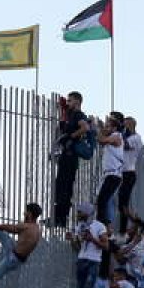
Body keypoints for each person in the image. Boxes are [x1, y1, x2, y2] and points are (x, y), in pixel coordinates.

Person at [68, 202, 108, 288]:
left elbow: (106, 246)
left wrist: (92, 239)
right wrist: (73, 240)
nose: (78, 215)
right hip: (81, 260)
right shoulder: (79, 226)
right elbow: (77, 248)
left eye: (80, 212)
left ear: (87, 213)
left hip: (93, 262)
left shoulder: (99, 226)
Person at [52, 91, 90, 227]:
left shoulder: (78, 114)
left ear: (77, 102)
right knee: (63, 187)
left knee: (63, 187)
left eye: (70, 101)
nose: (67, 103)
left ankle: (60, 218)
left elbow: (85, 127)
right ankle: (60, 218)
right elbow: (63, 129)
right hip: (67, 155)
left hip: (70, 155)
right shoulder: (70, 115)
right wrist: (63, 111)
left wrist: (71, 136)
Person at [95, 112, 124, 224]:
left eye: (108, 126)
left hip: (114, 174)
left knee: (103, 199)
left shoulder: (116, 136)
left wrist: (99, 130)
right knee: (103, 199)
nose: (105, 128)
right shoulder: (112, 136)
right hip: (109, 174)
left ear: (114, 127)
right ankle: (102, 222)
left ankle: (102, 224)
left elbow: (101, 140)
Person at [118, 116, 143, 231]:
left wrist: (119, 135)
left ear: (131, 125)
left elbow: (125, 145)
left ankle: (134, 225)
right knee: (121, 204)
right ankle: (135, 223)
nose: (124, 126)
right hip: (122, 172)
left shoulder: (136, 138)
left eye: (126, 124)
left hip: (128, 173)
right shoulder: (126, 136)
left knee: (123, 204)